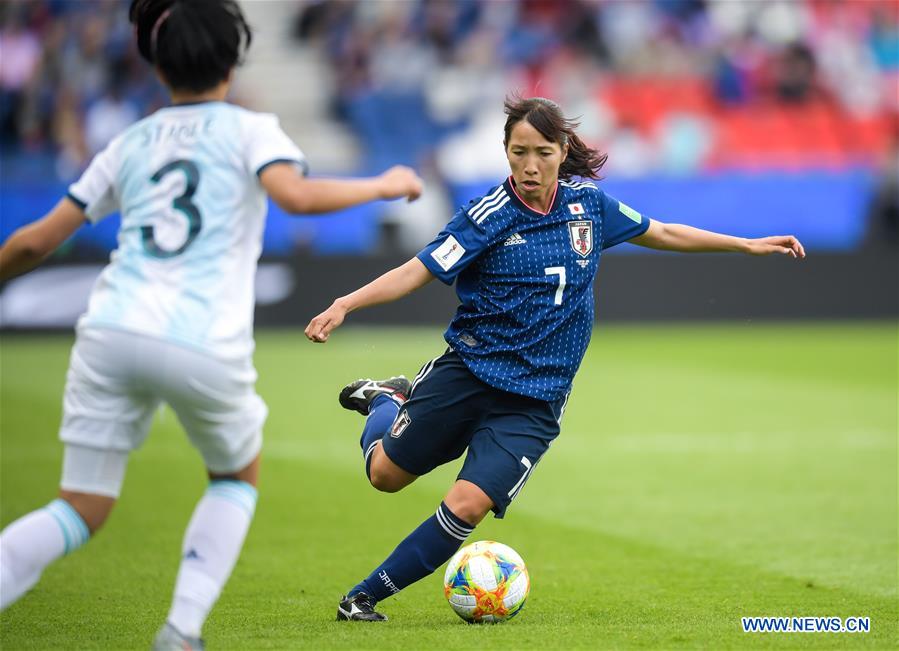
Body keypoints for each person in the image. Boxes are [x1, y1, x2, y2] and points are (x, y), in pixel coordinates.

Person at [0, 0, 422, 648]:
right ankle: (181, 630)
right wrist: (381, 184)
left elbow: (33, 242)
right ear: (232, 62)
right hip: (199, 338)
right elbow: (296, 196)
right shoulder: (250, 131)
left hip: (109, 330)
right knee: (233, 477)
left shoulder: (129, 142)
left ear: (157, 65)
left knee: (80, 505)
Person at [304, 96, 805, 622]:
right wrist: (345, 304)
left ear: (562, 151)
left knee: (468, 505)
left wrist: (745, 245)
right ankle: (385, 400)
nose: (530, 166)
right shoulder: (485, 217)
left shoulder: (589, 207)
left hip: (534, 401)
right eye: (518, 152)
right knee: (384, 476)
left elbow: (661, 232)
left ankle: (362, 597)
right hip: (469, 374)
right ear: (505, 152)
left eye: (542, 152)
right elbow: (418, 270)